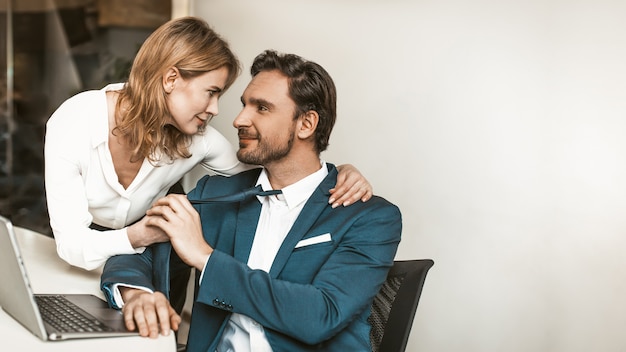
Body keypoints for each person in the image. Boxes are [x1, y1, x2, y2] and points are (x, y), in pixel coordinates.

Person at [100, 50, 402, 351]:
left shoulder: (370, 217)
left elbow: (321, 315)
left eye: (262, 108)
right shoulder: (215, 195)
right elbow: (138, 247)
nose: (239, 119)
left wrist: (205, 258)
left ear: (306, 124)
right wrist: (135, 293)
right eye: (245, 104)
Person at [44, 16, 373, 273]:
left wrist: (340, 172)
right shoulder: (75, 123)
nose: (217, 110)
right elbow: (71, 244)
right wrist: (139, 235)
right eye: (211, 92)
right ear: (171, 79)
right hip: (81, 261)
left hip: (152, 266)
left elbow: (275, 169)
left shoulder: (199, 140)